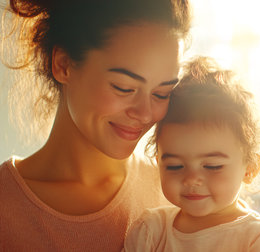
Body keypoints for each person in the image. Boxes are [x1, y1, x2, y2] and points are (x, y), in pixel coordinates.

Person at [0, 0, 191, 251]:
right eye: (124, 88)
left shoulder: (182, 194)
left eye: (162, 93)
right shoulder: (6, 208)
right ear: (63, 65)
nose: (145, 114)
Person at [123, 57, 260, 252]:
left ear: (251, 168)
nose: (191, 179)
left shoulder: (259, 239)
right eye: (175, 166)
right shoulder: (151, 230)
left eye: (212, 166)